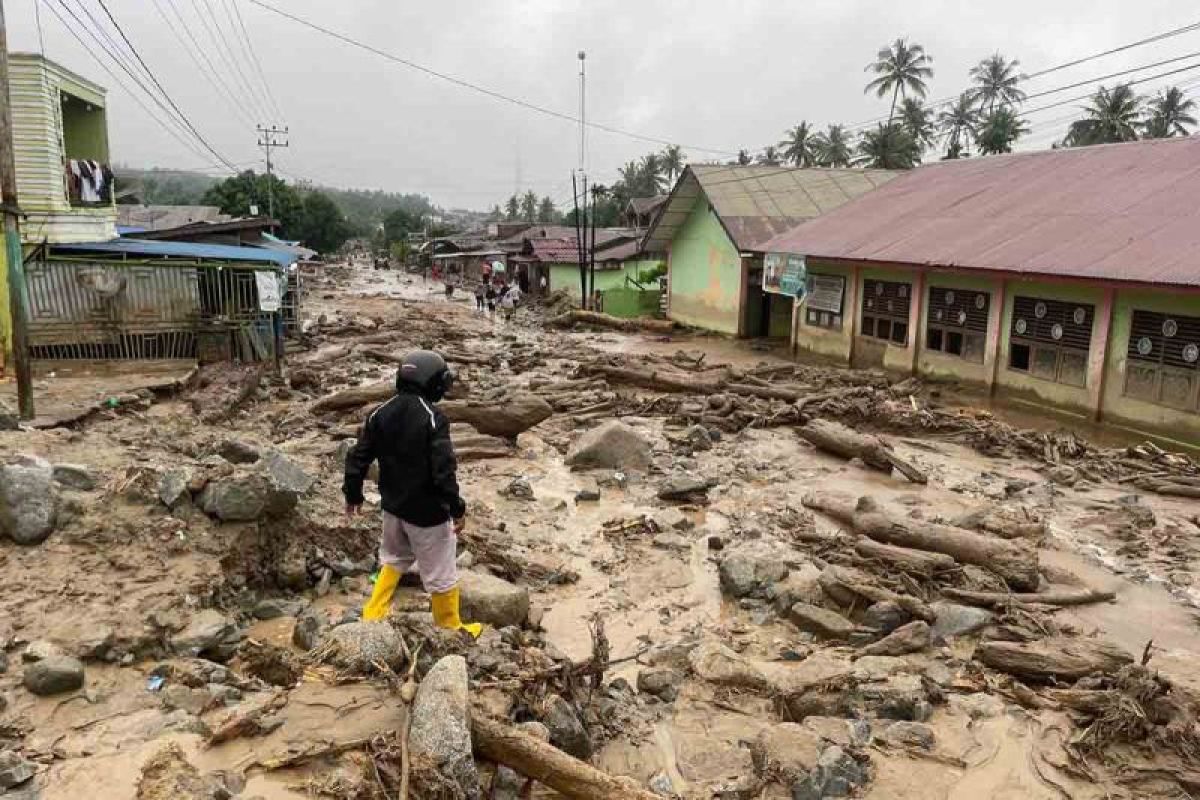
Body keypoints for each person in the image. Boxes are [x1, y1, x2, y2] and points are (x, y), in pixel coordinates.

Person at [343, 351, 482, 637]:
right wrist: (456, 508)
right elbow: (443, 470)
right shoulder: (433, 418)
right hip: (428, 514)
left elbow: (358, 458)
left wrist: (353, 494)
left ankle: (373, 613)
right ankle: (450, 627)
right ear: (432, 382)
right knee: (441, 573)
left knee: (393, 558)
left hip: (393, 508)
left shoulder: (379, 413)